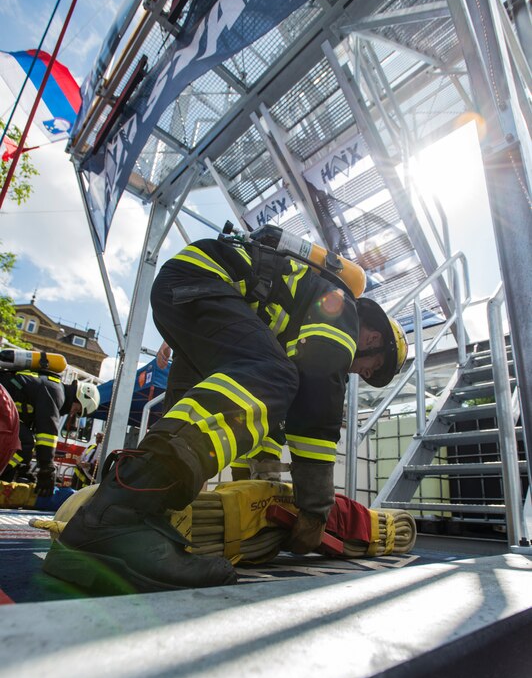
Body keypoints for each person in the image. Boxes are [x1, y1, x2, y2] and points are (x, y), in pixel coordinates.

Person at [43, 231, 407, 594]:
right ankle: (113, 518)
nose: (362, 373)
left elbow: (261, 415)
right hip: (203, 282)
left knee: (199, 415)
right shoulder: (340, 307)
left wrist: (250, 489)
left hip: (194, 285)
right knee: (274, 377)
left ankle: (135, 522)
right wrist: (315, 508)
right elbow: (316, 401)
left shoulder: (297, 316)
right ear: (375, 339)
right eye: (373, 368)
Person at [0, 370, 100, 497]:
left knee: (24, 443)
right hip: (2, 401)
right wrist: (47, 470)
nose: (73, 413)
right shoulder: (56, 393)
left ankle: (6, 477)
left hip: (4, 404)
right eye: (78, 409)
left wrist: (24, 468)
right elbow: (47, 434)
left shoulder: (54, 389)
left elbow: (33, 431)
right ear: (79, 397)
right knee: (23, 443)